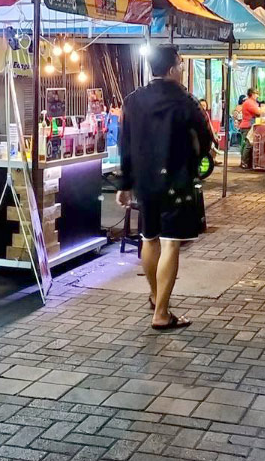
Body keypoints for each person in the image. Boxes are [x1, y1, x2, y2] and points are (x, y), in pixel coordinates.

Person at [117, 46, 212, 331]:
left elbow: (126, 145)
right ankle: (161, 313)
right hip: (177, 182)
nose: (182, 70)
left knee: (149, 238)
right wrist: (198, 160)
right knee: (171, 243)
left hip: (145, 184)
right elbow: (206, 140)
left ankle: (157, 296)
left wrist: (125, 184)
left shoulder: (133, 100)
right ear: (172, 69)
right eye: (181, 65)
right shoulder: (186, 101)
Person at [238, 89, 262, 168]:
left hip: (248, 125)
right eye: (256, 94)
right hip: (247, 126)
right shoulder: (249, 102)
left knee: (247, 144)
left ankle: (246, 162)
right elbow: (258, 112)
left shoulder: (251, 102)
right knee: (248, 144)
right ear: (252, 94)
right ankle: (244, 162)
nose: (257, 96)